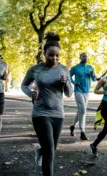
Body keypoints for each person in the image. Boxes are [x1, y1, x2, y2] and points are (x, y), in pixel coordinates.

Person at [21, 32, 73, 176]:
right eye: (51, 55)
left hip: (58, 114)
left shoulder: (63, 69)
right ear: (44, 53)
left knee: (51, 148)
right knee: (50, 152)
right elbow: (24, 85)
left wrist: (66, 83)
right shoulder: (35, 69)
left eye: (57, 56)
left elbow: (69, 93)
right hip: (40, 113)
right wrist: (31, 93)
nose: (54, 58)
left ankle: (40, 150)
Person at [69, 52, 96, 140]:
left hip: (87, 92)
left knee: (81, 110)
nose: (85, 57)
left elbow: (94, 79)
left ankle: (73, 126)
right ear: (80, 57)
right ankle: (82, 132)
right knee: (83, 109)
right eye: (83, 56)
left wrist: (92, 75)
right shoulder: (75, 68)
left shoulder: (90, 68)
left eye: (86, 56)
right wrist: (74, 82)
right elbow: (68, 76)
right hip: (78, 91)